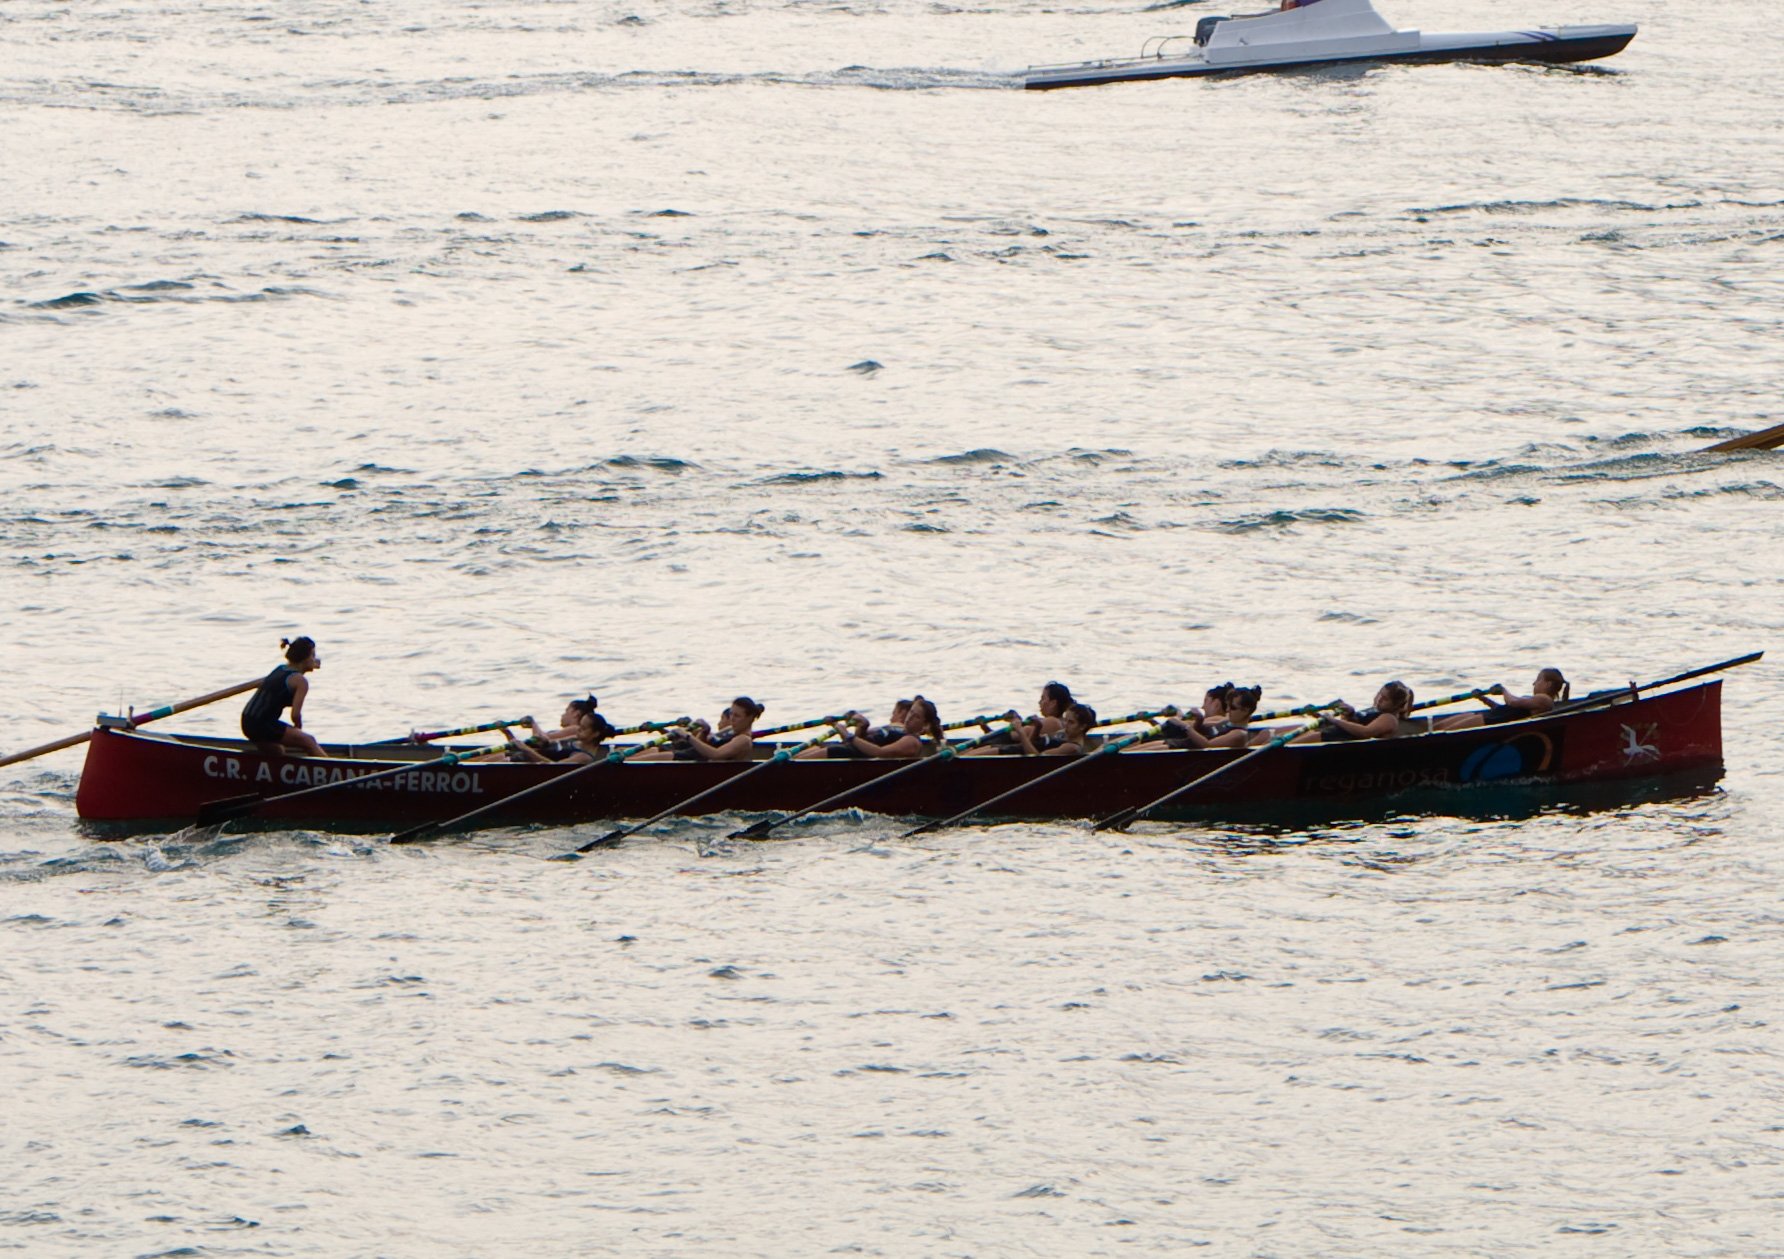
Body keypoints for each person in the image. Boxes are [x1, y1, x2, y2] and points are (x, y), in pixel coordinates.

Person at [240, 636, 327, 756]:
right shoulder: (300, 681)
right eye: (312, 655)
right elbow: (295, 715)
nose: (315, 659)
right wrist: (298, 731)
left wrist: (310, 665)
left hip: (247, 720)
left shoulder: (280, 669)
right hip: (262, 724)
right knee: (309, 741)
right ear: (304, 659)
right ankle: (336, 772)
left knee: (277, 751)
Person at [1433, 669, 1569, 731]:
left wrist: (1503, 690)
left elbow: (1513, 702)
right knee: (1438, 727)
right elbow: (1504, 710)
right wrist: (1483, 699)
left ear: (1548, 684)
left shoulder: (1545, 700)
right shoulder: (1534, 699)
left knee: (1444, 732)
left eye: (1538, 679)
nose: (1534, 683)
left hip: (1489, 721)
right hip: (1489, 716)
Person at [634, 697, 762, 762]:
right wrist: (704, 731)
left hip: (695, 763)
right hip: (690, 755)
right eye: (731, 714)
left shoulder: (743, 740)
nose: (732, 719)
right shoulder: (729, 729)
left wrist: (687, 736)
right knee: (652, 750)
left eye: (737, 716)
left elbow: (715, 754)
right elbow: (703, 744)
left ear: (750, 718)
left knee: (659, 756)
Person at [812, 696, 943, 759]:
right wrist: (862, 727)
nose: (909, 718)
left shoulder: (912, 741)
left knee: (802, 759)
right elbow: (865, 741)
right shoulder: (900, 731)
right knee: (813, 748)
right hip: (850, 751)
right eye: (911, 713)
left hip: (849, 754)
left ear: (925, 725)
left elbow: (879, 753)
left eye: (916, 717)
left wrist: (848, 735)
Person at [1139, 686, 1262, 750]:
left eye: (1233, 707)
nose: (1228, 710)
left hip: (1184, 751)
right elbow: (1199, 729)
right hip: (1181, 744)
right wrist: (1198, 720)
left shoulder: (1239, 734)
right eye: (1228, 706)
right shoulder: (1225, 721)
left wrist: (1185, 726)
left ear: (1246, 711)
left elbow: (1207, 745)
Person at [1291, 681, 1416, 743]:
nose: (1378, 700)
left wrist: (1333, 720)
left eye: (1385, 699)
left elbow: (1364, 732)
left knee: (1290, 744)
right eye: (1379, 694)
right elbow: (1352, 723)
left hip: (1333, 739)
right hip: (1330, 733)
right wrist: (1349, 713)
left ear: (1395, 705)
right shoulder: (1376, 710)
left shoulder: (1389, 719)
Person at [501, 707, 617, 766]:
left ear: (595, 734)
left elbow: (553, 768)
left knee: (492, 760)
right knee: (488, 759)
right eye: (580, 726)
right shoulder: (574, 739)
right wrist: (508, 734)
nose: (578, 730)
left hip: (525, 762)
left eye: (583, 728)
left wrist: (526, 750)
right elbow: (549, 743)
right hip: (521, 755)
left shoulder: (584, 757)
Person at [1013, 702, 1097, 756]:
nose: (1065, 725)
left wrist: (1021, 733)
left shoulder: (1071, 748)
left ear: (1082, 727)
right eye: (1065, 720)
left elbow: (1035, 759)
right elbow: (1032, 745)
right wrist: (1037, 727)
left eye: (1071, 722)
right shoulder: (1062, 736)